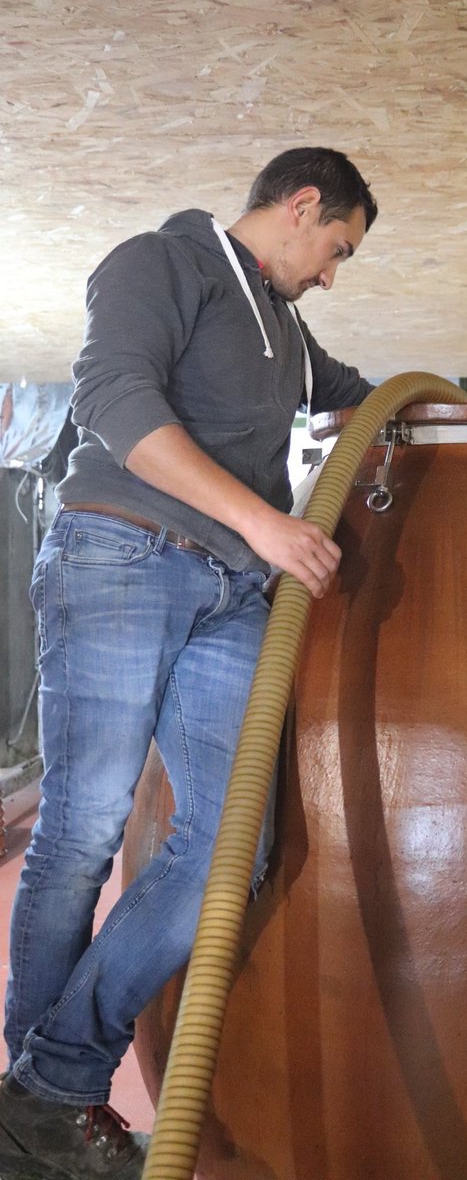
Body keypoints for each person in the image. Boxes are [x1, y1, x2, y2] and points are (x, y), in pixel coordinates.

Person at [0, 147, 378, 1179]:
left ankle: (41, 1091)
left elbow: (374, 408)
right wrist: (265, 525)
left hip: (228, 591)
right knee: (83, 823)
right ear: (299, 206)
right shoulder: (157, 264)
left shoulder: (288, 339)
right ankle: (45, 1109)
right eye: (335, 248)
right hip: (119, 554)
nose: (331, 274)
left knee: (230, 844)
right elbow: (118, 405)